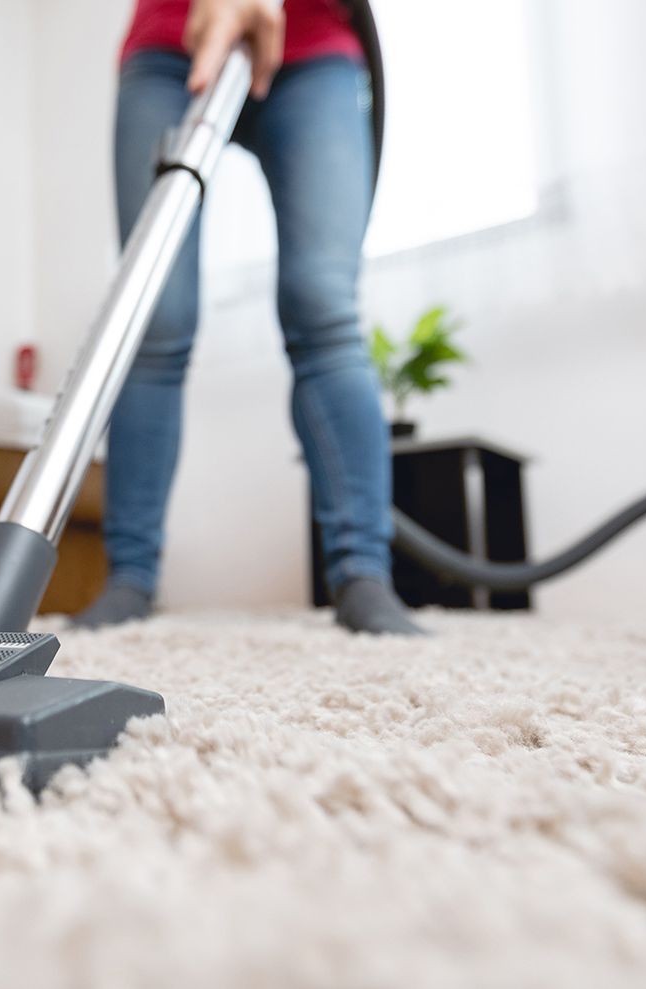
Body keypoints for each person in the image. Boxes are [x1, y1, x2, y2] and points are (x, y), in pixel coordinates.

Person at [73, 0, 425, 636]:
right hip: (170, 44)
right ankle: (129, 579)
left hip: (314, 48)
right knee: (154, 316)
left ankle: (363, 576)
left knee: (323, 305)